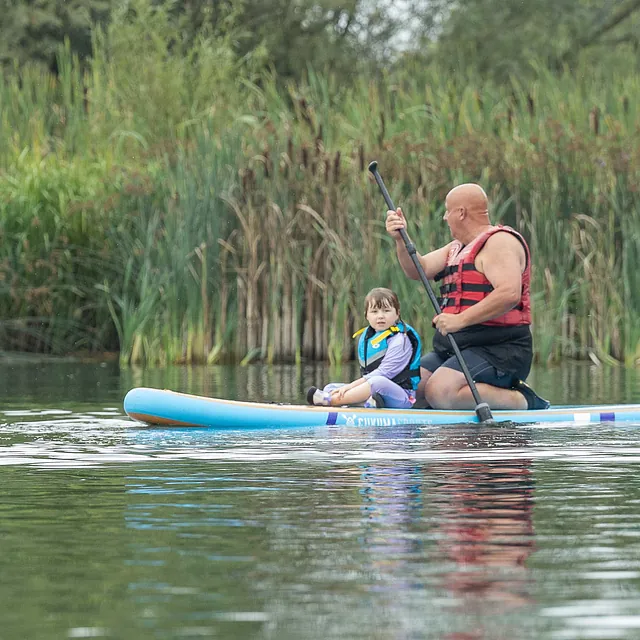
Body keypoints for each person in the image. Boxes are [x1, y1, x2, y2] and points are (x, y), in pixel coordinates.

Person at [385, 183, 549, 411]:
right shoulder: (456, 248)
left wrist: (460, 320)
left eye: (447, 211)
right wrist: (401, 240)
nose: (444, 217)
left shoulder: (500, 242)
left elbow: (510, 293)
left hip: (499, 350)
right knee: (403, 389)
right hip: (455, 348)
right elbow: (417, 270)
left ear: (461, 213)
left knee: (439, 391)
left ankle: (524, 400)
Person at [307, 287, 422, 409]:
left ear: (397, 313)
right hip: (374, 389)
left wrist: (349, 387)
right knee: (331, 388)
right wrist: (347, 388)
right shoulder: (368, 336)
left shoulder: (401, 339)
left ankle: (332, 401)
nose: (380, 316)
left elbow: (384, 373)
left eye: (386, 311)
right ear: (366, 315)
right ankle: (371, 403)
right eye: (374, 312)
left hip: (402, 397)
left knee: (378, 382)